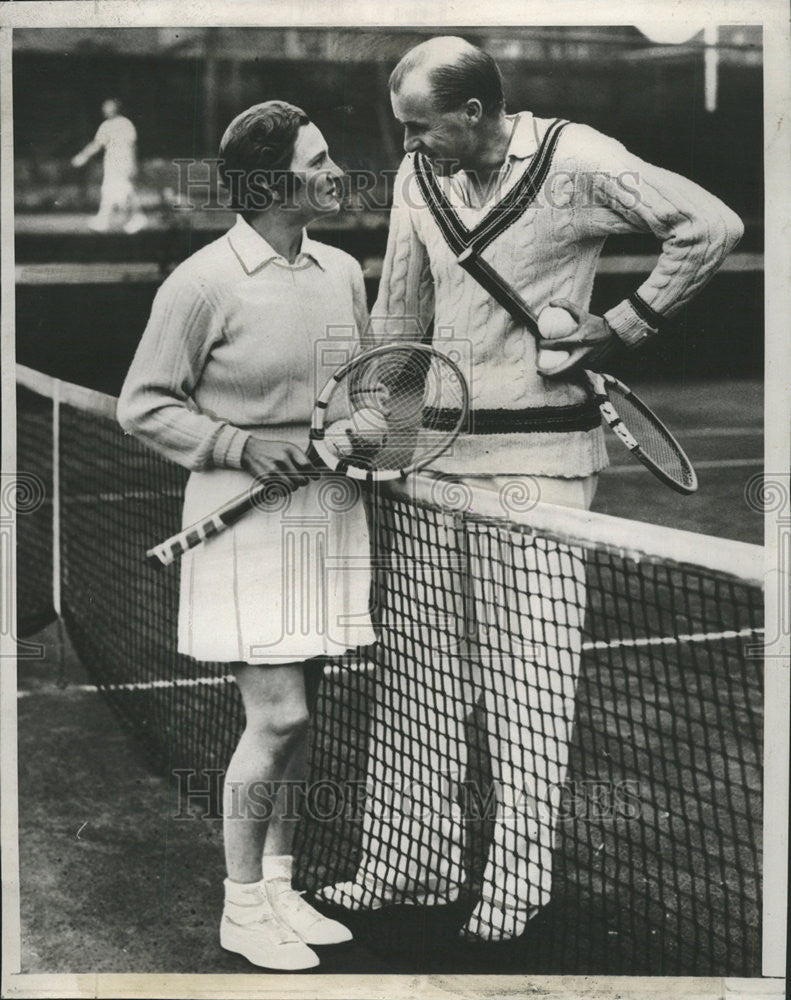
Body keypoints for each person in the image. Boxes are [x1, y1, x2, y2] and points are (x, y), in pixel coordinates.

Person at [320, 36, 744, 941]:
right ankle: (405, 866)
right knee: (416, 681)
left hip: (539, 473)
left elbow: (709, 225)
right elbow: (402, 317)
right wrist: (383, 442)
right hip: (432, 470)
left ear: (472, 113)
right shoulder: (415, 182)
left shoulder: (577, 160)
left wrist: (620, 327)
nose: (404, 145)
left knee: (529, 687)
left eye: (418, 126)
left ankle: (513, 888)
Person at [117, 101, 377, 970]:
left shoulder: (341, 269)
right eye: (321, 159)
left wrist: (368, 425)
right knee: (279, 716)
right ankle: (237, 908)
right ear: (271, 184)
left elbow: (359, 387)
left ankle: (279, 887)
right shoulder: (200, 283)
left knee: (304, 722)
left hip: (325, 515)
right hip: (239, 521)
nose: (339, 171)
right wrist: (239, 445)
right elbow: (144, 403)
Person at [71, 98, 147, 233]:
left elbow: (132, 146)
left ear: (116, 108)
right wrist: (83, 156)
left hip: (123, 163)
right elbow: (97, 144)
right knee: (114, 192)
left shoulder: (125, 124)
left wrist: (133, 165)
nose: (105, 110)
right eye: (104, 107)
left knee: (119, 191)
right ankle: (130, 219)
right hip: (111, 163)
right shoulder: (106, 125)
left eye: (108, 107)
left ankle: (109, 220)